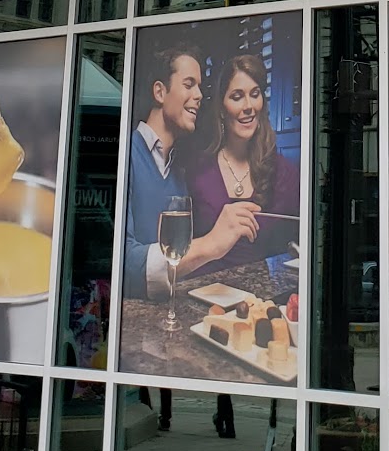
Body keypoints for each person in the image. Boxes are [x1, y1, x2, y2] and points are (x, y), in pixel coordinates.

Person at [123, 45, 260, 298]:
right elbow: (122, 263)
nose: (198, 95)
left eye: (199, 87)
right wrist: (210, 244)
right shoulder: (124, 155)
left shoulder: (178, 172)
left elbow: (180, 265)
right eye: (189, 85)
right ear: (160, 92)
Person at [188, 52, 300, 273]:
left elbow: (299, 242)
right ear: (222, 109)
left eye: (255, 94)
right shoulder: (196, 171)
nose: (248, 106)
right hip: (202, 290)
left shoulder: (284, 173)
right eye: (237, 96)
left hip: (260, 291)